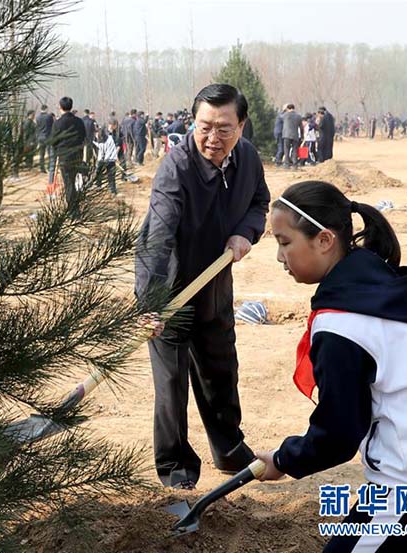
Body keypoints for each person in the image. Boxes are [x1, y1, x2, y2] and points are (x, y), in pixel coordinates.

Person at [257, 180, 407, 552]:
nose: (280, 257)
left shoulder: (343, 324)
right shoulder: (386, 282)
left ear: (325, 240)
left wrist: (283, 459)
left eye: (284, 243)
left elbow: (340, 432)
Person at [135, 83, 270, 490]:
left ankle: (229, 449)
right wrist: (151, 302)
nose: (213, 138)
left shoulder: (247, 159)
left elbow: (259, 202)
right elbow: (156, 239)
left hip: (215, 285)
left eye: (224, 128)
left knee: (220, 371)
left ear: (242, 126)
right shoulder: (176, 168)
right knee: (171, 384)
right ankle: (175, 466)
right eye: (204, 127)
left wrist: (246, 232)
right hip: (171, 290)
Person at [51, 96, 86, 214]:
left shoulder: (58, 123)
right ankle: (75, 206)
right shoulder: (79, 121)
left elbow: (53, 140)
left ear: (60, 107)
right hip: (77, 155)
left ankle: (73, 210)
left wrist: (57, 150)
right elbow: (83, 137)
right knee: (75, 181)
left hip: (65, 157)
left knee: (69, 183)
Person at [94, 120, 119, 195]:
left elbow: (99, 146)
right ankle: (112, 190)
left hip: (104, 159)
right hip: (110, 160)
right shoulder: (110, 138)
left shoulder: (101, 140)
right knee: (110, 175)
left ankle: (99, 187)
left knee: (99, 174)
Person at [281, 104, 303, 169]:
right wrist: (302, 136)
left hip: (286, 135)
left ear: (287, 108)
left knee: (286, 150)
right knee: (295, 150)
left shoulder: (285, 115)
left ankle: (286, 164)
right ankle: (295, 164)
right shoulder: (298, 116)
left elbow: (280, 116)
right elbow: (301, 127)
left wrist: (283, 110)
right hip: (295, 135)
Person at [35, 104, 54, 175]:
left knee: (41, 154)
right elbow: (52, 126)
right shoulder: (49, 116)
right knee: (50, 154)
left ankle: (42, 168)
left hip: (40, 137)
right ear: (46, 109)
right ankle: (50, 167)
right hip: (48, 137)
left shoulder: (37, 117)